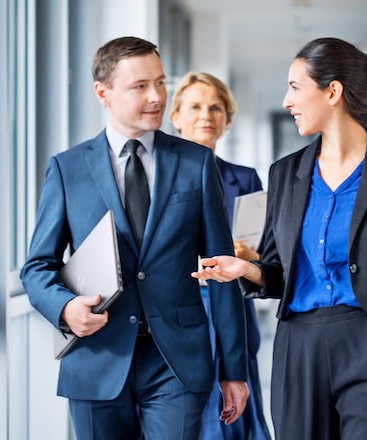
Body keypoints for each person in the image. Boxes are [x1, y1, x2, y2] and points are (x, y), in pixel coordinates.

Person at [192, 37, 367, 439]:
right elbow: (277, 272)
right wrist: (246, 269)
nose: (286, 101)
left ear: (332, 91)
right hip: (299, 348)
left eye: (294, 87)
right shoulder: (284, 174)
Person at [20, 36, 249, 440]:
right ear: (103, 93)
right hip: (97, 357)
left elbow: (222, 270)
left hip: (176, 361)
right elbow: (38, 267)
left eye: (160, 83)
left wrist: (235, 370)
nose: (156, 97)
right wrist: (66, 309)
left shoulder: (195, 163)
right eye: (140, 86)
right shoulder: (67, 169)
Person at [170, 71, 272, 440]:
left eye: (216, 108)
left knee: (236, 411)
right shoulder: (157, 176)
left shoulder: (244, 179)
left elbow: (266, 254)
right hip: (179, 311)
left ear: (227, 120)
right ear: (176, 115)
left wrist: (246, 257)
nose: (206, 116)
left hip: (231, 307)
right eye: (195, 106)